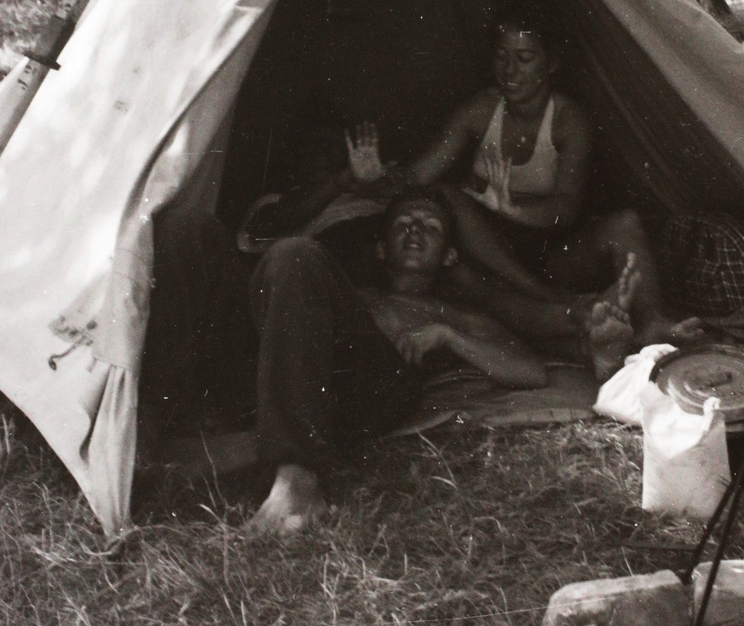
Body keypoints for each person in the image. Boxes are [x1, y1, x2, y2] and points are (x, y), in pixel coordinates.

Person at [142, 183, 635, 537]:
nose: (415, 231)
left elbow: (528, 372)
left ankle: (298, 482)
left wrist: (448, 337)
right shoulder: (342, 287)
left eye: (431, 227)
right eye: (403, 224)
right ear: (380, 248)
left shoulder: (453, 312)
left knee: (295, 255)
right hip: (285, 374)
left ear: (449, 257)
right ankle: (145, 433)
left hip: (370, 387)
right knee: (188, 227)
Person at [353, 0, 699, 349]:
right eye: (501, 56)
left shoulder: (568, 121)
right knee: (444, 196)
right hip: (489, 255)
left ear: (550, 63)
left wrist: (511, 208)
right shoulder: (480, 110)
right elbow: (414, 181)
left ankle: (652, 322)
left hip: (549, 254)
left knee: (625, 225)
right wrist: (373, 181)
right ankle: (563, 311)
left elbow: (565, 212)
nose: (509, 70)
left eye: (525, 57)